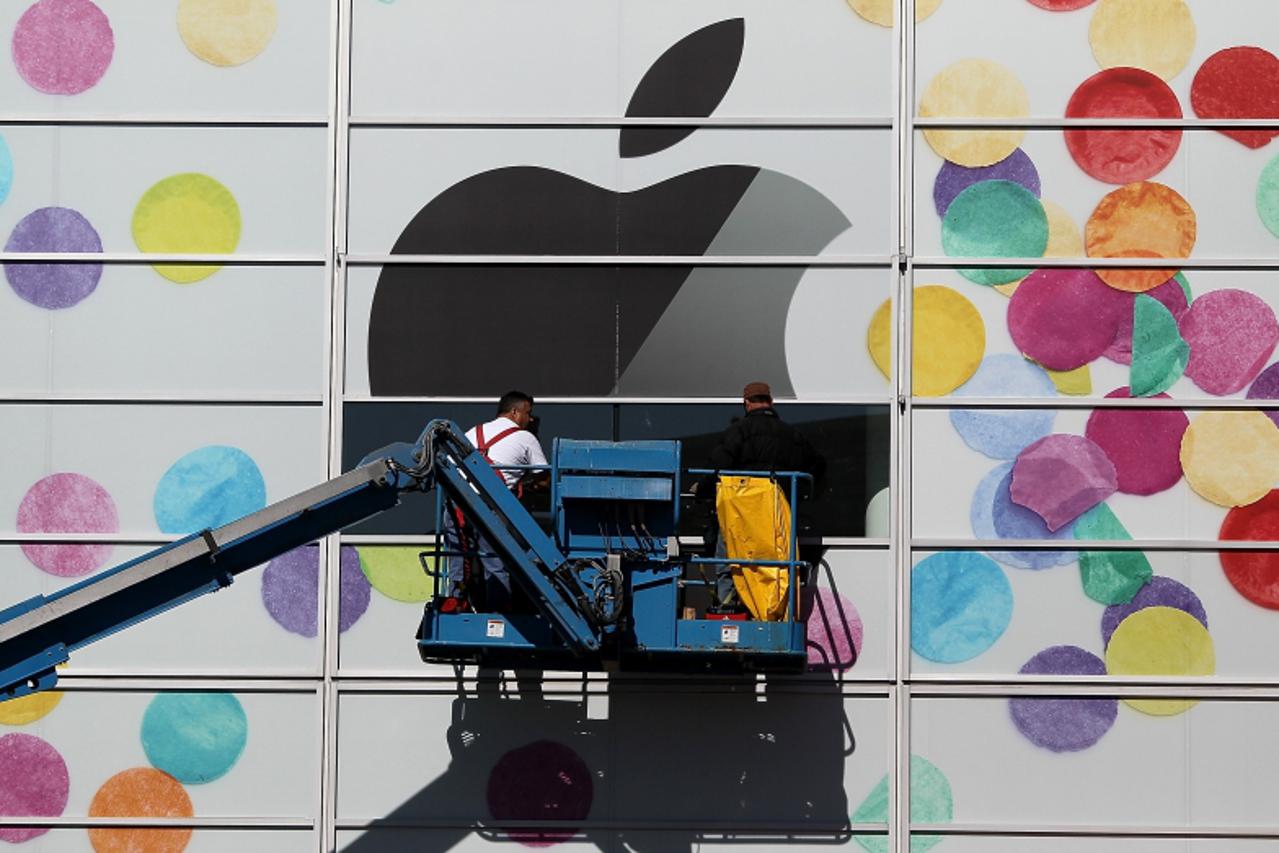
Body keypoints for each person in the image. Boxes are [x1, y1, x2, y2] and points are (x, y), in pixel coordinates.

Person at [699, 382, 826, 614]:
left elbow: (716, 467)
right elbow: (817, 466)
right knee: (778, 568)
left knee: (728, 562)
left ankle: (729, 607)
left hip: (740, 517)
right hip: (776, 517)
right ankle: (774, 612)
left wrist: (701, 493)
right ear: (771, 402)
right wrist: (805, 496)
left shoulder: (738, 432)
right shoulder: (793, 436)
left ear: (746, 403)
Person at [444, 390, 548, 612]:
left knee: (457, 558)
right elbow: (544, 478)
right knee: (494, 563)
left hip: (456, 506)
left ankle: (456, 601)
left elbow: (451, 466)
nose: (530, 419)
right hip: (488, 509)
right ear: (514, 412)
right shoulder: (526, 438)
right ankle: (498, 614)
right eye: (528, 413)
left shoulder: (473, 432)